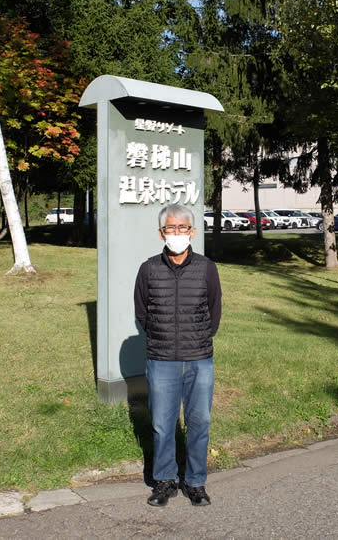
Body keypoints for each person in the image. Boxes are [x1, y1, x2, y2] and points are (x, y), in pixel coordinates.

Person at [134, 203, 221, 507]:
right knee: (161, 424)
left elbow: (214, 310)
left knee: (199, 422)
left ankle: (195, 482)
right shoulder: (148, 269)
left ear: (192, 232)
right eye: (170, 228)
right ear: (161, 234)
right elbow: (142, 313)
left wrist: (197, 340)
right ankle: (165, 481)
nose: (176, 233)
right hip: (161, 360)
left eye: (182, 228)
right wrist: (162, 338)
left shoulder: (207, 267)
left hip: (199, 358)